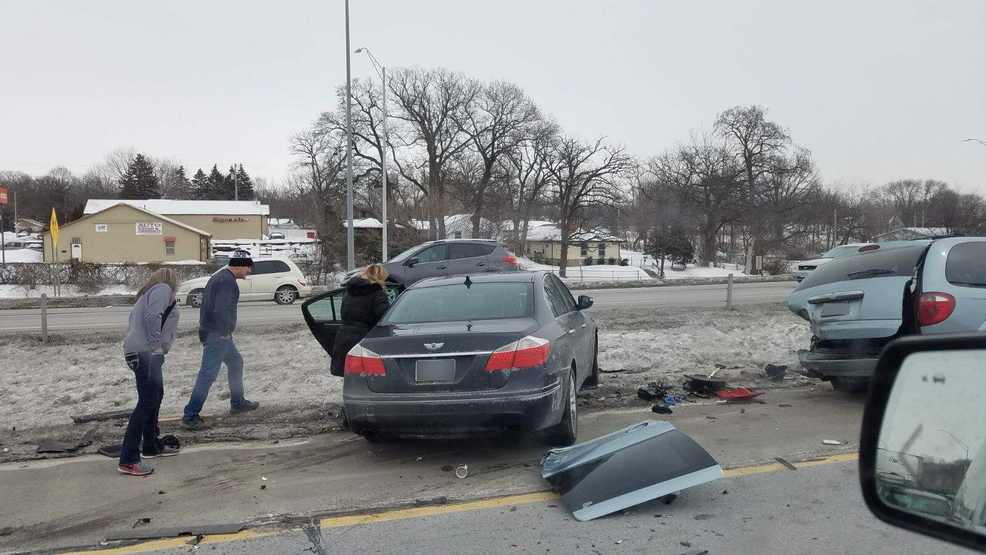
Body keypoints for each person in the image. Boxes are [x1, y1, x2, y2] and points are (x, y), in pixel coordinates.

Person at [181, 251, 260, 430]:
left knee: (236, 363)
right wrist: (224, 332)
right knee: (208, 374)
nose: (249, 270)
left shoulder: (220, 277)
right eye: (248, 266)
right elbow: (221, 308)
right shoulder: (227, 281)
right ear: (238, 265)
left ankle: (238, 402)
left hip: (215, 332)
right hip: (218, 334)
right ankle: (190, 416)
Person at [118, 268, 182, 476]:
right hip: (146, 353)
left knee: (155, 397)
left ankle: (151, 445)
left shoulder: (149, 293)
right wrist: (156, 347)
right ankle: (128, 459)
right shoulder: (162, 289)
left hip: (144, 352)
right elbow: (153, 316)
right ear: (170, 281)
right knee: (147, 401)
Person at [330, 264, 391, 376]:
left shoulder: (349, 291)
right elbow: (385, 316)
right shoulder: (377, 293)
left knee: (349, 375)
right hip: (364, 338)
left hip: (343, 336)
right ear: (380, 277)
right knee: (366, 377)